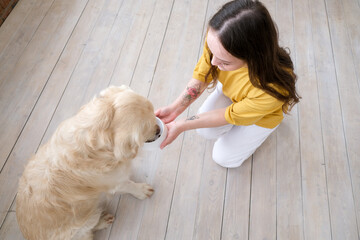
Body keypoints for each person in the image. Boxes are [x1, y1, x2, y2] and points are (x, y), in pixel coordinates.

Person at [155, 0, 300, 168]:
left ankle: (263, 130)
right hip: (233, 95)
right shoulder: (218, 39)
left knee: (223, 158)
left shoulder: (272, 89)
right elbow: (203, 74)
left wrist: (180, 125)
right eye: (212, 52)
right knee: (204, 130)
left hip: (262, 116)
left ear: (252, 57)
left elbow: (230, 115)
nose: (214, 62)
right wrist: (174, 109)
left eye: (225, 62)